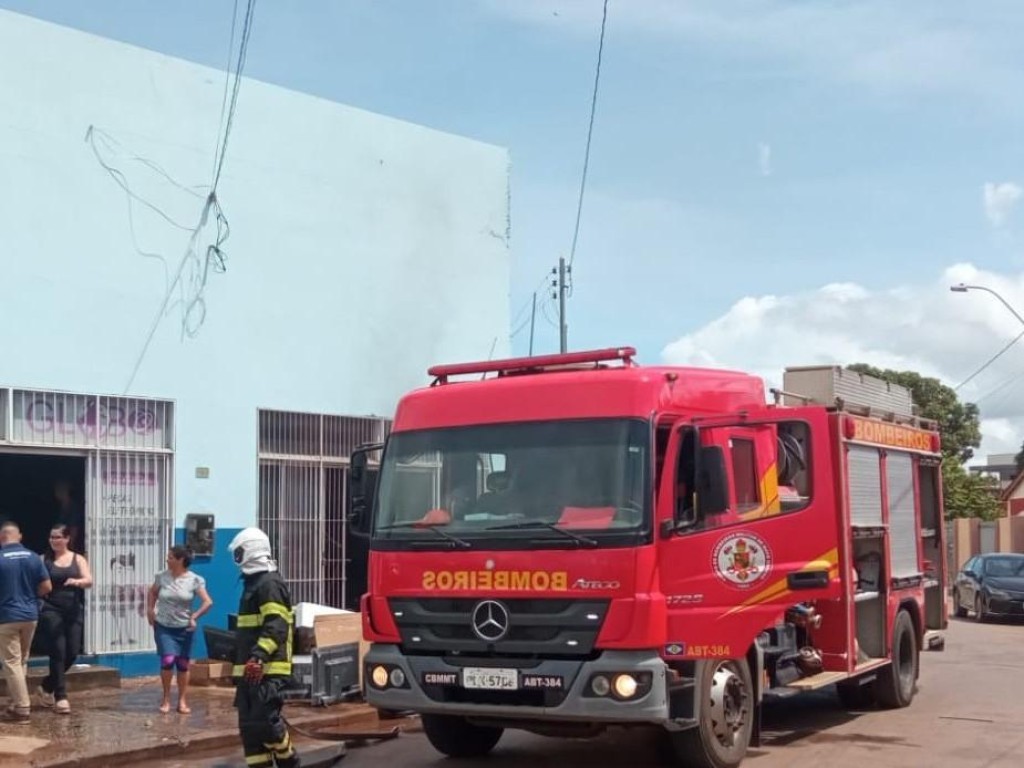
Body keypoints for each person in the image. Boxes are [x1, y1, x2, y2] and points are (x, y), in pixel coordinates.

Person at [228, 528, 300, 768]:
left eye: (239, 552)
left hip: (268, 669)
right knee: (250, 731)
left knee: (266, 724)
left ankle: (290, 762)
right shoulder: (253, 584)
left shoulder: (269, 584)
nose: (237, 558)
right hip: (249, 672)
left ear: (251, 550)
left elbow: (276, 624)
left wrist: (258, 657)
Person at [146, 546, 213, 715]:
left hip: (184, 628)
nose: (167, 560)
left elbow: (208, 602)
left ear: (180, 560)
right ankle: (166, 699)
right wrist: (150, 610)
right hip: (164, 626)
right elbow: (152, 593)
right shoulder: (162, 577)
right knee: (168, 660)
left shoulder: (194, 580)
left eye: (170, 557)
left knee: (182, 664)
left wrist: (194, 616)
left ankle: (182, 700)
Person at [36, 524, 92, 715]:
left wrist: (77, 581)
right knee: (58, 651)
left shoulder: (78, 559)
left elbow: (89, 580)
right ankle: (61, 696)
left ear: (67, 539)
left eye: (58, 537)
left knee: (72, 652)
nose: (54, 541)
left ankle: (47, 685)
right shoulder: (43, 560)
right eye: (51, 537)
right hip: (51, 609)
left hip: (73, 609)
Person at [0, 520, 52, 724]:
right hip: (30, 616)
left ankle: (22, 707)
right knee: (21, 660)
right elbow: (47, 587)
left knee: (11, 662)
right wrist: (30, 597)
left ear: (1, 537)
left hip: (6, 617)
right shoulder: (33, 557)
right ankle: (15, 703)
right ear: (19, 536)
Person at [53, 481, 84, 553]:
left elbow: (74, 527)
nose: (56, 493)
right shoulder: (61, 507)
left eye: (59, 489)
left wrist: (70, 544)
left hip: (70, 543)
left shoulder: (73, 507)